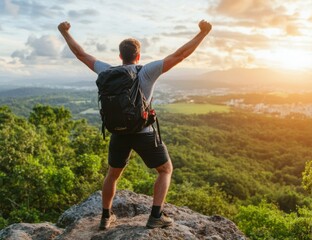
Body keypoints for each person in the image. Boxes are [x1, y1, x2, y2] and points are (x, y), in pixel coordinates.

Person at [58, 19, 212, 230]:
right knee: (165, 170)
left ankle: (105, 217)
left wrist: (65, 32)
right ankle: (155, 216)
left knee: (112, 174)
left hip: (118, 133)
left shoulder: (106, 71)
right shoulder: (147, 71)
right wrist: (202, 33)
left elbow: (81, 55)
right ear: (138, 56)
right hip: (144, 132)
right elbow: (180, 55)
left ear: (120, 56)